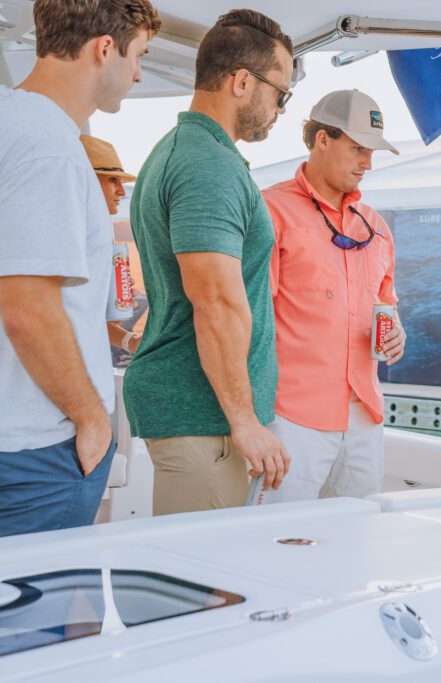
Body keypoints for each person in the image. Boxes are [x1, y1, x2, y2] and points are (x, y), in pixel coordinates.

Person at [0, 0, 161, 537]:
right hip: (35, 454)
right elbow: (27, 309)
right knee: (43, 621)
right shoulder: (50, 147)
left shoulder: (11, 122)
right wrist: (95, 420)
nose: (138, 72)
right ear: (105, 48)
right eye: (139, 55)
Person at [124, 9, 293, 515]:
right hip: (207, 420)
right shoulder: (206, 165)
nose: (281, 108)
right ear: (243, 81)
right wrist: (244, 422)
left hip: (207, 418)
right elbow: (215, 301)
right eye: (280, 93)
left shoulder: (194, 151)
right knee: (204, 591)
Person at [260, 90, 405, 502]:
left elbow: (387, 307)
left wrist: (397, 333)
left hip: (364, 417)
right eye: (359, 148)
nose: (368, 163)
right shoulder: (269, 210)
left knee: (355, 547)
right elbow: (248, 319)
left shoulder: (375, 226)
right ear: (322, 139)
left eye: (372, 151)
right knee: (280, 546)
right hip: (290, 418)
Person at [80, 134, 143, 358]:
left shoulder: (100, 232)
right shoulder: (70, 237)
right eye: (112, 180)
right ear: (86, 178)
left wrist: (131, 341)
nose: (122, 192)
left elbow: (90, 322)